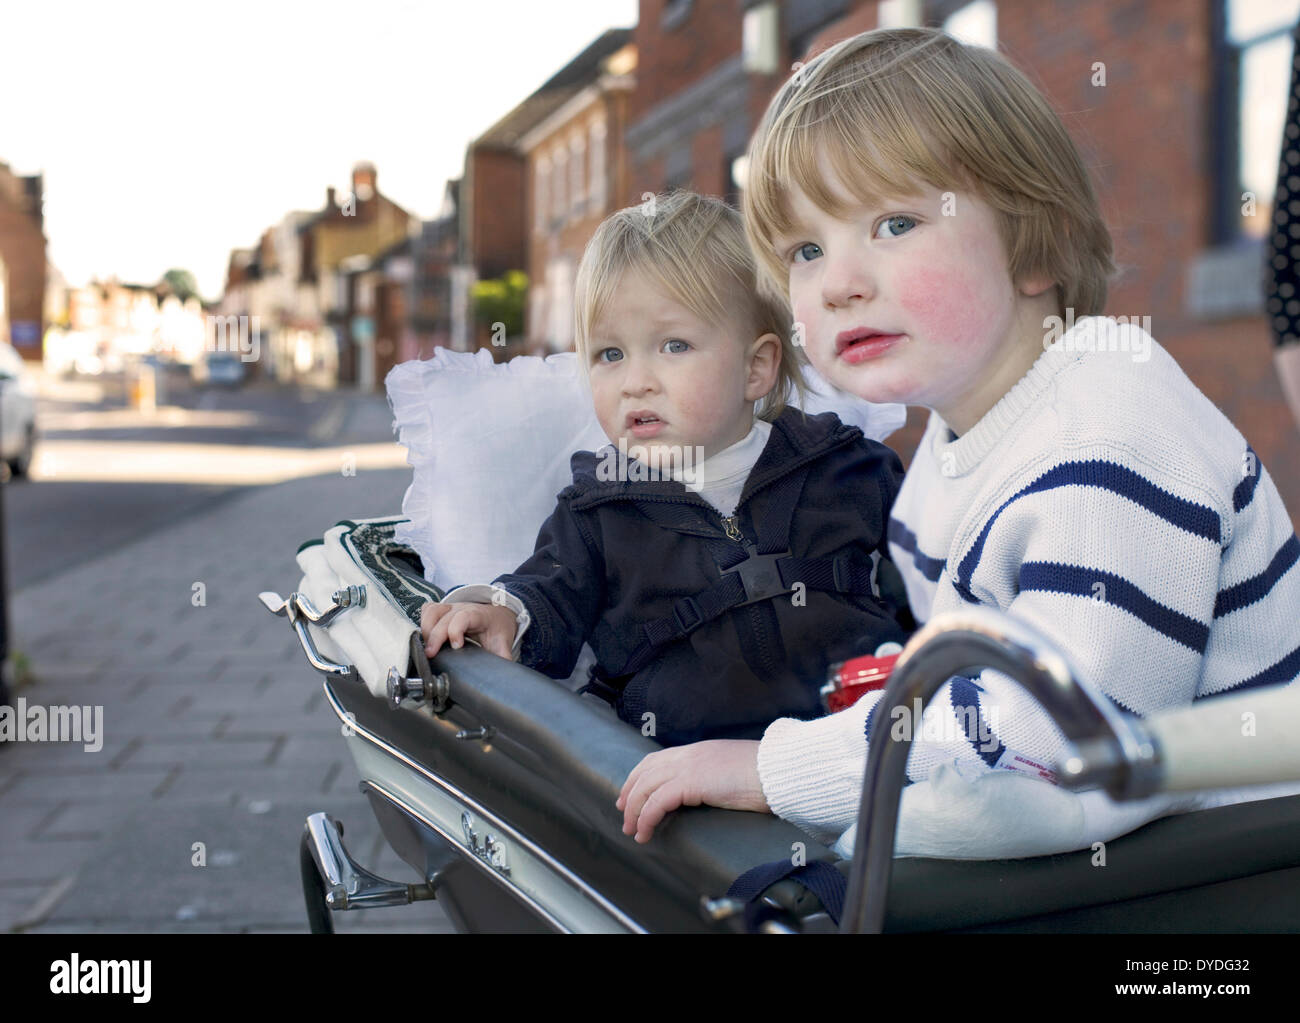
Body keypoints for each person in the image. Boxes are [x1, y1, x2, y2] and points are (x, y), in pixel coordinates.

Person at [618, 27, 1300, 845]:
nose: (838, 283)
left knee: (914, 835)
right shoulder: (955, 443)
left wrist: (777, 767)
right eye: (805, 248)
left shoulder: (1109, 437)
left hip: (1227, 877)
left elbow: (1059, 737)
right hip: (1124, 860)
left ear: (1032, 244)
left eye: (896, 224)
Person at [420, 191, 910, 746]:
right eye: (610, 354)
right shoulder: (599, 510)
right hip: (684, 788)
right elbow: (549, 591)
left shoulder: (844, 468)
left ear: (756, 368)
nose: (635, 382)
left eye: (673, 345)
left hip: (861, 758)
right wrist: (501, 611)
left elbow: (933, 578)